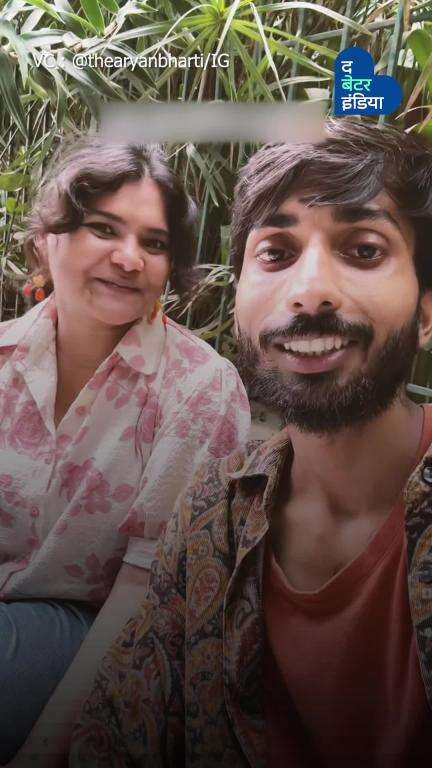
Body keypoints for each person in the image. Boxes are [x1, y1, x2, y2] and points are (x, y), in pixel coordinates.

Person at [70, 118, 432, 767]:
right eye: (276, 253)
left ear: (426, 312)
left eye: (363, 250)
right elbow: (117, 730)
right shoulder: (211, 517)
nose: (310, 291)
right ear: (237, 296)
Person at [0, 135, 250, 766]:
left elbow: (145, 588)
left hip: (93, 635)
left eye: (155, 243)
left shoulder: (200, 388)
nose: (130, 258)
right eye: (103, 229)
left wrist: (45, 750)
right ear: (46, 240)